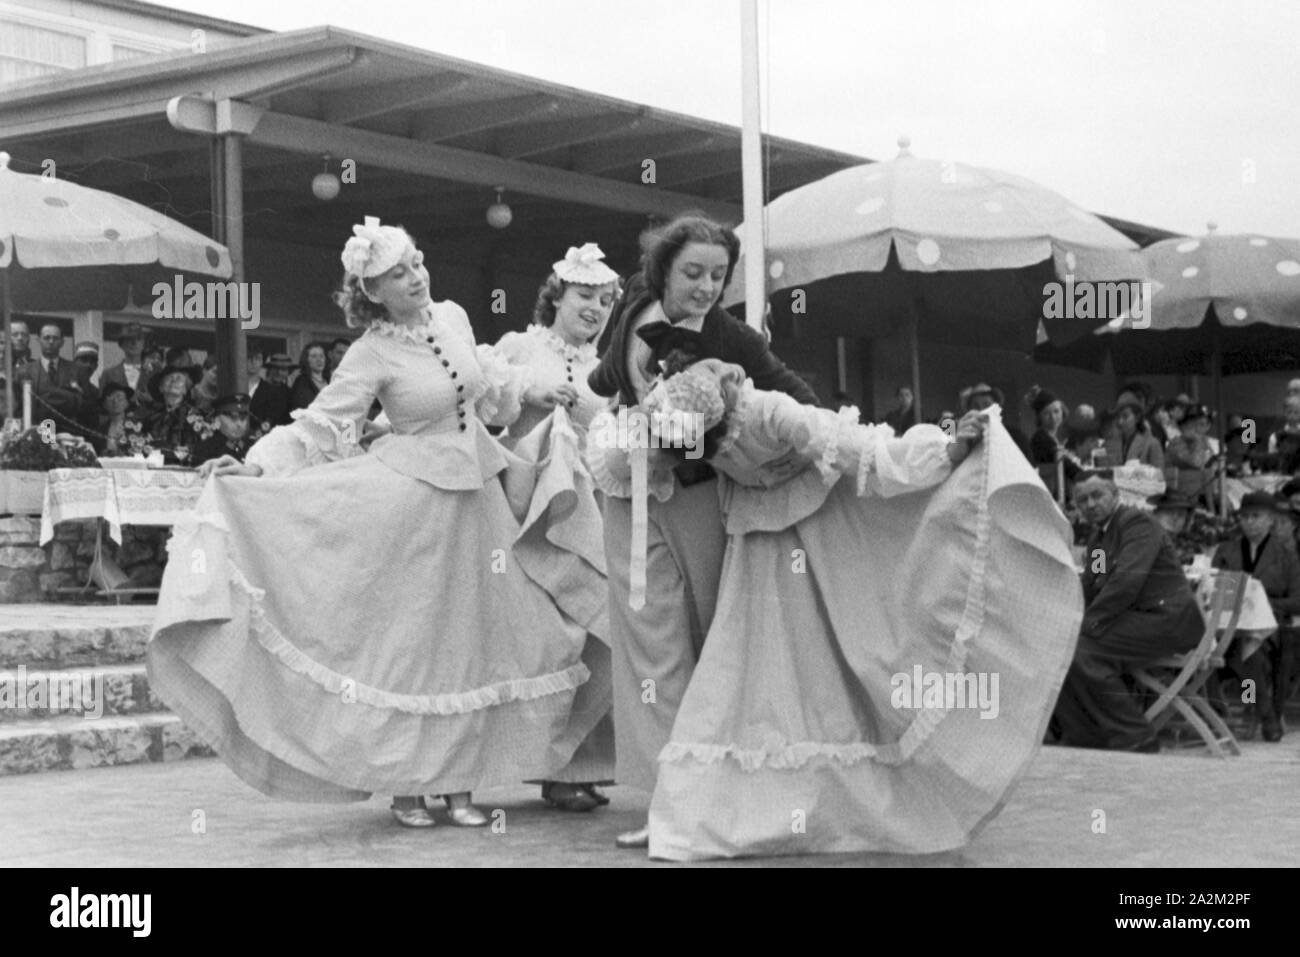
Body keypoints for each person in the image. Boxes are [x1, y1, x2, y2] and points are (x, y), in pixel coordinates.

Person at [148, 217, 597, 830]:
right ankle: (407, 786)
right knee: (413, 646)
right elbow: (322, 423)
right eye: (397, 273)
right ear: (371, 292)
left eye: (415, 262)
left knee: (477, 641)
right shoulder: (371, 352)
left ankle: (460, 785)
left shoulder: (455, 317)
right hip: (409, 506)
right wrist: (257, 467)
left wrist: (528, 397)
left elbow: (485, 390)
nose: (415, 277)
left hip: (478, 499)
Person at [588, 357, 1081, 860]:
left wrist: (942, 449)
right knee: (736, 686)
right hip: (759, 556)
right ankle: (691, 814)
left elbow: (854, 444)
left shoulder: (772, 412)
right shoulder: (699, 431)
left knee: (823, 672)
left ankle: (743, 810)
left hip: (821, 535)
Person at [587, 213, 818, 849]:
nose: (707, 287)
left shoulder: (732, 335)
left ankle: (718, 795)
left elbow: (792, 391)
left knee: (712, 638)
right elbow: (603, 376)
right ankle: (667, 803)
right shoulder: (633, 306)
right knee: (648, 646)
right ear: (661, 271)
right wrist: (624, 406)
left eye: (718, 275)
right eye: (692, 272)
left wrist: (835, 431)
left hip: (697, 498)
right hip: (626, 495)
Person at [493, 242, 621, 812]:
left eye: (604, 300)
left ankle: (579, 766)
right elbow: (477, 395)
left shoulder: (609, 365)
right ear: (557, 297)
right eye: (584, 296)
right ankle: (538, 760)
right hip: (530, 515)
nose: (594, 308)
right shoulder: (520, 346)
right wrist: (529, 391)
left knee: (600, 632)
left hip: (593, 508)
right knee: (546, 642)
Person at [1052, 471, 1203, 752]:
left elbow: (1127, 581)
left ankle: (1136, 733)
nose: (1090, 504)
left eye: (1097, 495)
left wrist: (1088, 624)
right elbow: (1092, 586)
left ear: (1115, 494)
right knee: (1060, 644)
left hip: (1167, 620)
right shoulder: (1100, 537)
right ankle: (1083, 733)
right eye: (1082, 500)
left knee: (1083, 650)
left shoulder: (1137, 523)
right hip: (1139, 619)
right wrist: (1065, 618)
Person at [1211, 492, 1300, 742]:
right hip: (1227, 626)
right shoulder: (1226, 550)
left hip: (1268, 629)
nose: (1250, 522)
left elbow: (1297, 600)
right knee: (1243, 650)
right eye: (1245, 517)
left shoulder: (1285, 555)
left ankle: (1256, 707)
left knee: (1250, 652)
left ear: (1270, 520)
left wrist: (1260, 600)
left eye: (1256, 517)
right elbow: (1213, 586)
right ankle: (1265, 714)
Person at [143, 365, 204, 465]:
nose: (174, 381)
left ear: (185, 390)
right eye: (169, 379)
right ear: (161, 388)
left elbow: (202, 447)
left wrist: (189, 450)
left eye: (179, 379)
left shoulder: (195, 416)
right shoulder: (151, 418)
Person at [961, 382, 1030, 458]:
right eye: (976, 407)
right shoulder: (967, 444)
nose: (982, 411)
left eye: (987, 405)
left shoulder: (1016, 437)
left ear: (997, 407)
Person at [1028, 387, 1082, 485]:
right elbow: (1069, 468)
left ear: (1062, 412)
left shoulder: (1052, 437)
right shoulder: (1041, 439)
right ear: (1039, 418)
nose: (1053, 417)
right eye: (1046, 414)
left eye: (1056, 411)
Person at [193, 393, 262, 465]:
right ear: (217, 419)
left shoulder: (254, 447)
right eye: (232, 418)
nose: (239, 424)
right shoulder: (205, 449)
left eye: (243, 418)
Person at [1102, 393, 1164, 469]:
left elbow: (1159, 475)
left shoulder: (1152, 443)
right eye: (1118, 417)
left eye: (1125, 416)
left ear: (1137, 418)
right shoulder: (1109, 444)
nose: (1120, 421)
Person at [100, 323, 151, 405]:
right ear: (121, 344)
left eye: (138, 339)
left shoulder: (154, 372)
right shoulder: (108, 374)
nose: (134, 343)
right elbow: (102, 405)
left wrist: (151, 400)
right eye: (129, 339)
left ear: (143, 344)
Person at [1147, 490, 1202, 565]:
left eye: (1180, 514)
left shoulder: (1192, 546)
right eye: (1169, 512)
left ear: (1186, 520)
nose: (1174, 518)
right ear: (1156, 513)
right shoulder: (1145, 539)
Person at [98, 382, 145, 456]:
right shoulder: (100, 430)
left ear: (127, 403)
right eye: (111, 399)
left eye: (119, 398)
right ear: (104, 405)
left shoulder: (137, 426)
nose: (115, 402)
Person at [290, 341, 331, 411]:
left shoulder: (330, 380)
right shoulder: (302, 382)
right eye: (314, 356)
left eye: (321, 356)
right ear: (306, 360)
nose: (319, 360)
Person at [1266, 395, 1300, 475]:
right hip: (1281, 476)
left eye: (1296, 412)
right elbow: (1272, 460)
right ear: (1285, 413)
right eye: (1289, 412)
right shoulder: (1275, 437)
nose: (1292, 416)